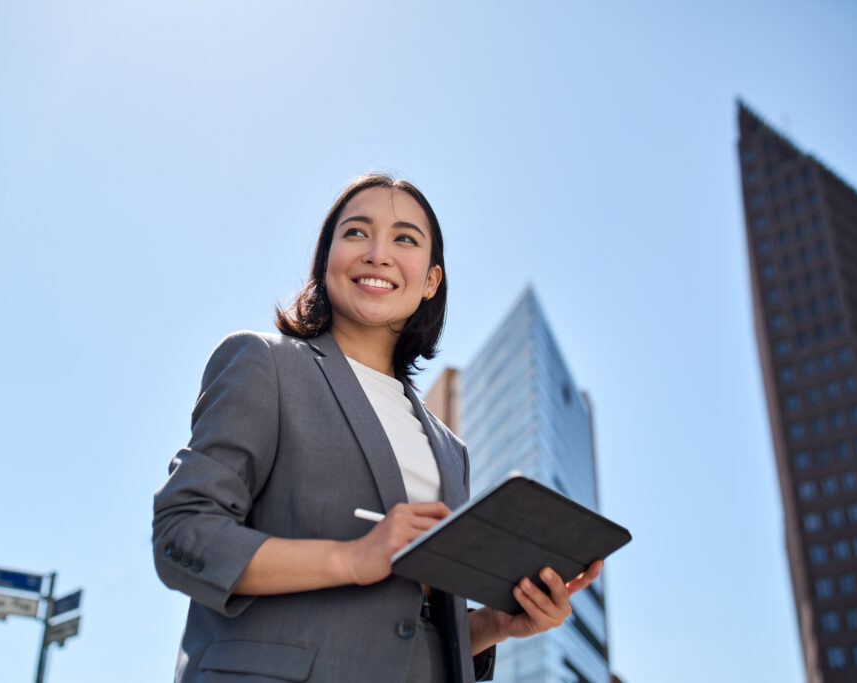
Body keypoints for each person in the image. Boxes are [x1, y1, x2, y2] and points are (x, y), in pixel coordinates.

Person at [152, 174, 603, 683]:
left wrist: (494, 623)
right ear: (327, 260)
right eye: (356, 233)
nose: (378, 254)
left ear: (430, 281)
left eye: (405, 239)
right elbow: (182, 535)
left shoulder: (450, 450)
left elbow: (407, 629)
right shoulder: (265, 363)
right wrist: (352, 558)